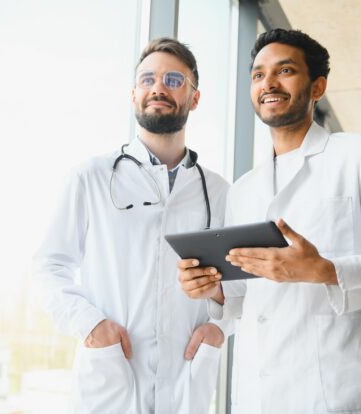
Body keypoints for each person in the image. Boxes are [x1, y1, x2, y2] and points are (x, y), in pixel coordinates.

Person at [33, 37, 232, 414]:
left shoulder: (220, 192)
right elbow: (49, 266)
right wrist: (91, 325)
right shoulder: (91, 177)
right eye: (147, 79)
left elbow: (239, 286)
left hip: (186, 381)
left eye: (174, 80)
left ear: (195, 97)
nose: (158, 87)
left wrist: (221, 326)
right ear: (133, 94)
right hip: (112, 377)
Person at [179, 28, 361, 414]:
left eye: (285, 71)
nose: (268, 83)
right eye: (258, 75)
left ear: (318, 87)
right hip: (255, 397)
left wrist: (326, 270)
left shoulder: (353, 157)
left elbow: (329, 274)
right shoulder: (243, 190)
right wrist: (212, 288)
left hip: (335, 393)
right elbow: (244, 299)